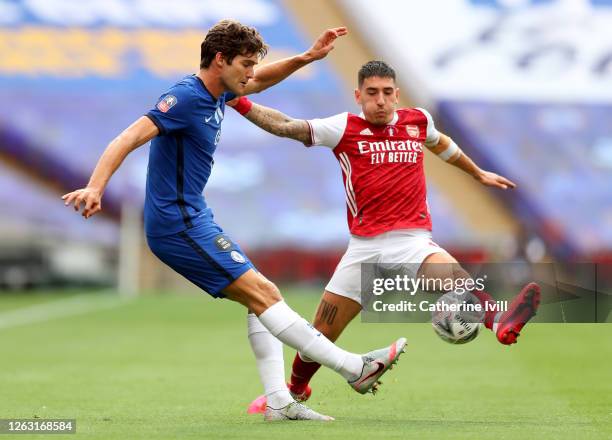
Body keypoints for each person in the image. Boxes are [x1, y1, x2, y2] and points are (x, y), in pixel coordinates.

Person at [62, 24, 407, 422]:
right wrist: (94, 186)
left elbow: (260, 81)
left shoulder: (220, 88)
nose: (250, 73)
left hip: (194, 217)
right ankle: (354, 368)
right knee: (264, 295)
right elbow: (126, 137)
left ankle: (279, 401)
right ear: (220, 60)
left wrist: (307, 58)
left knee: (260, 297)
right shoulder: (186, 97)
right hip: (177, 225)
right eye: (244, 64)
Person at [227, 60, 542, 412]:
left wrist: (476, 172)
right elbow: (287, 126)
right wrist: (238, 101)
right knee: (321, 331)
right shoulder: (343, 127)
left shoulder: (417, 121)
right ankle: (296, 390)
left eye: (387, 93)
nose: (380, 100)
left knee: (456, 280)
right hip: (364, 248)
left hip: (411, 240)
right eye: (372, 93)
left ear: (397, 95)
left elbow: (442, 143)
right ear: (358, 95)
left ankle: (499, 322)